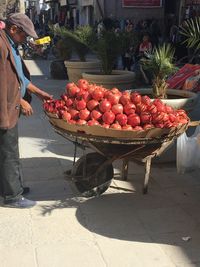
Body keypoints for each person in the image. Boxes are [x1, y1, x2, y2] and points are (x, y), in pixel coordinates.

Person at [0, 13, 53, 208]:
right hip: (5, 107)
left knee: (6, 150)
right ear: (14, 29)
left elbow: (19, 77)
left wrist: (38, 93)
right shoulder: (1, 45)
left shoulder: (11, 44)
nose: (26, 39)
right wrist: (20, 99)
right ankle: (13, 196)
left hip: (10, 105)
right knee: (9, 151)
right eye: (24, 35)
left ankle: (10, 186)